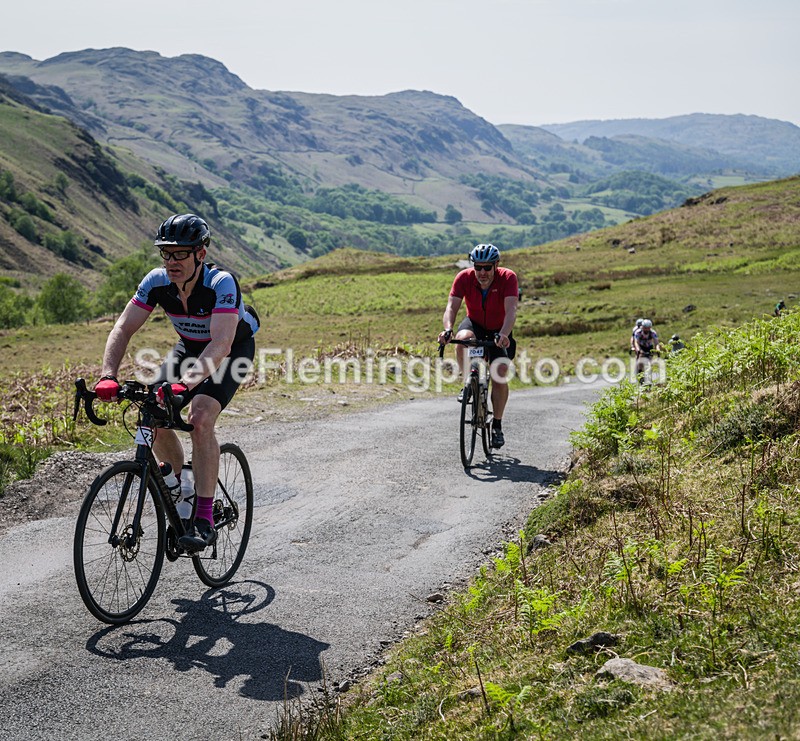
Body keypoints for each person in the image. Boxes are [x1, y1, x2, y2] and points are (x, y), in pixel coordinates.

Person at [93, 214, 260, 551]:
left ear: (200, 253)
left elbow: (221, 344)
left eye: (180, 254)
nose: (171, 262)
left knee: (199, 418)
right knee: (151, 408)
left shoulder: (220, 283)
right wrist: (107, 374)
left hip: (230, 350)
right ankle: (177, 481)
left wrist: (186, 384)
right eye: (166, 254)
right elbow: (123, 327)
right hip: (189, 348)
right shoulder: (156, 282)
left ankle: (203, 518)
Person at [437, 243, 518, 449]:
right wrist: (448, 329)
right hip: (475, 324)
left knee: (499, 373)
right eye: (478, 267)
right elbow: (451, 306)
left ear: (496, 265)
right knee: (463, 339)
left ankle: (497, 426)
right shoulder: (463, 278)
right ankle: (468, 383)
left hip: (500, 329)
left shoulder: (508, 278)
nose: (482, 272)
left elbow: (511, 311)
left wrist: (504, 335)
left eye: (487, 268)